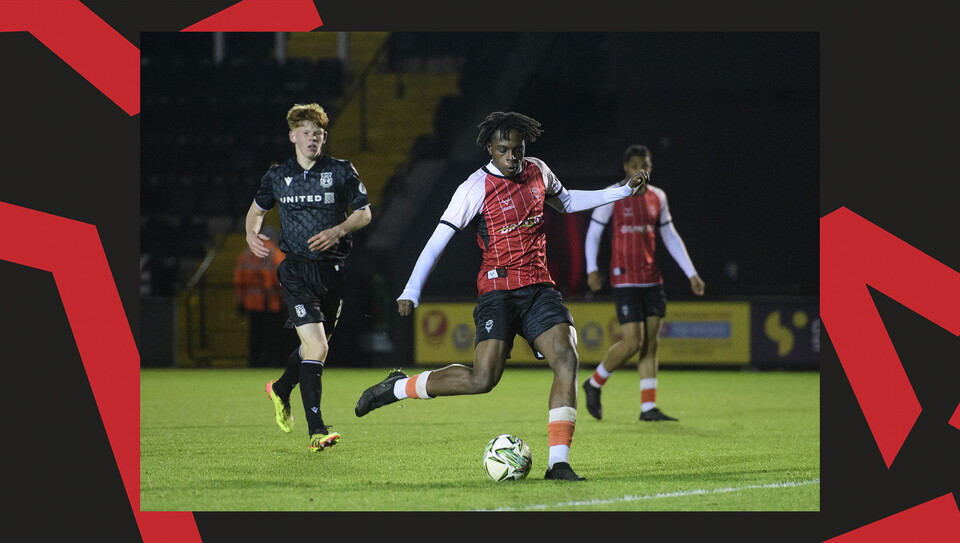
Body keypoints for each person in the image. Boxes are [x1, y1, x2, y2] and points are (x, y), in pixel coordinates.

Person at [353, 112, 648, 481]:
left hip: (540, 287)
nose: (513, 157)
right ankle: (397, 387)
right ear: (490, 148)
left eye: (518, 150)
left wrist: (622, 190)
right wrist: (411, 289)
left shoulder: (538, 171)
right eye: (505, 150)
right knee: (483, 380)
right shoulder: (473, 188)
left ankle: (558, 463)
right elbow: (437, 241)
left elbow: (568, 202)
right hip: (497, 290)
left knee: (566, 358)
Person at [245, 102, 372, 452]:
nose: (312, 138)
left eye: (317, 133)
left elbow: (364, 213)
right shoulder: (277, 176)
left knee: (310, 348)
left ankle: (280, 389)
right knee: (318, 347)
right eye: (305, 132)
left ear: (324, 136)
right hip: (296, 269)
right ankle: (317, 429)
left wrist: (339, 229)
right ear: (293, 136)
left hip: (332, 272)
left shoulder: (341, 171)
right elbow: (256, 211)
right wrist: (251, 234)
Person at [582, 144, 705, 422]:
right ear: (626, 168)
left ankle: (648, 407)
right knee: (633, 341)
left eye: (646, 164)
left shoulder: (658, 196)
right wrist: (592, 269)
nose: (642, 169)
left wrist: (691, 273)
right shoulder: (613, 195)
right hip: (625, 278)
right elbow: (593, 234)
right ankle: (594, 382)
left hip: (652, 278)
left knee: (651, 342)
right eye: (636, 164)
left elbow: (670, 236)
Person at [233, 225, 296, 367]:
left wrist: (240, 300)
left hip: (250, 302)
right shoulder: (276, 254)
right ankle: (270, 361)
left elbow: (238, 280)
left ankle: (254, 361)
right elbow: (282, 280)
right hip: (271, 303)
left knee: (255, 334)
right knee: (272, 335)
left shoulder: (246, 254)